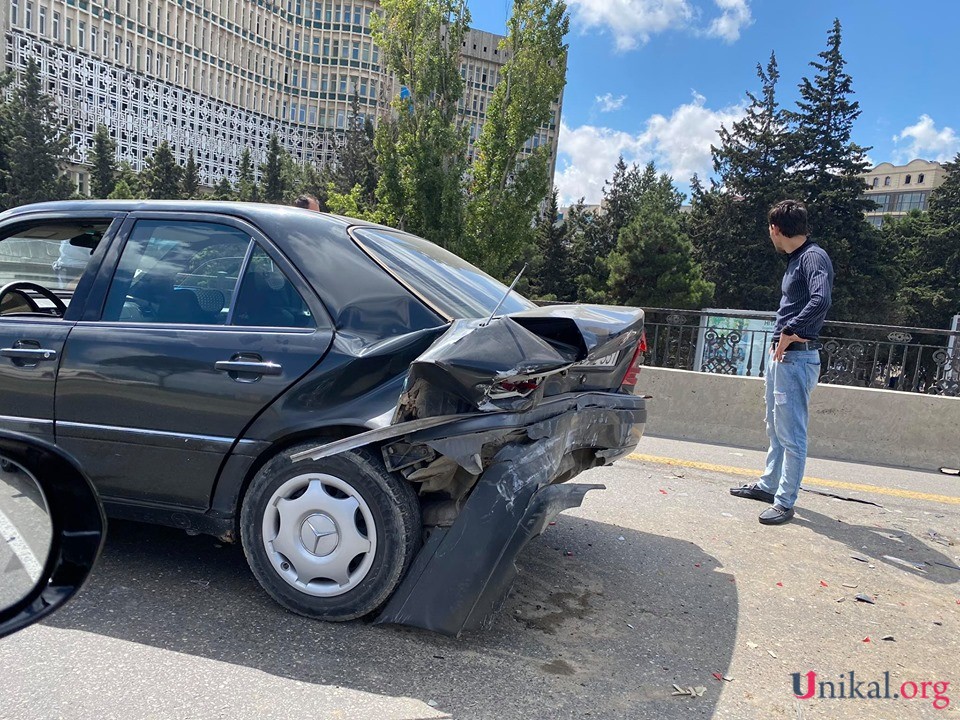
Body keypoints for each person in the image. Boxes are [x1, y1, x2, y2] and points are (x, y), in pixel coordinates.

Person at [730, 200, 834, 525]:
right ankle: (768, 485)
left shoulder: (813, 257)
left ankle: (784, 501)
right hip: (783, 357)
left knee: (793, 434)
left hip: (796, 358)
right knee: (775, 427)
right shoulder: (796, 260)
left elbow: (822, 298)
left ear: (776, 229)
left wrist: (791, 330)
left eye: (769, 229)